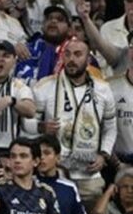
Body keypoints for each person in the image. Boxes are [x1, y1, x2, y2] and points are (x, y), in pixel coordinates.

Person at [32, 38, 116, 202]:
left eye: (78, 55)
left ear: (88, 59)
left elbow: (110, 128)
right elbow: (26, 125)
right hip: (54, 172)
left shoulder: (103, 89)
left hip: (89, 174)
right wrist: (41, 127)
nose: (71, 59)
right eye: (67, 54)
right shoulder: (44, 86)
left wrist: (104, 154)